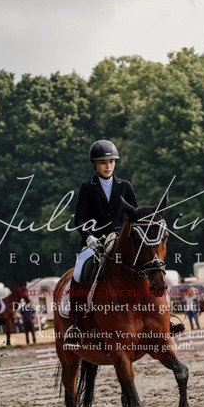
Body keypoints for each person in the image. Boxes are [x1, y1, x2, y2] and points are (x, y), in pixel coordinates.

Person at [64, 140, 138, 348]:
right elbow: (80, 219)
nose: (108, 166)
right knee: (79, 272)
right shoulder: (88, 188)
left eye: (111, 162)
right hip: (95, 243)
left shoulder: (125, 186)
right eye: (103, 162)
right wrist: (89, 237)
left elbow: (133, 216)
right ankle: (75, 325)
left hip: (121, 241)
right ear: (94, 164)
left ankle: (161, 319)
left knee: (148, 265)